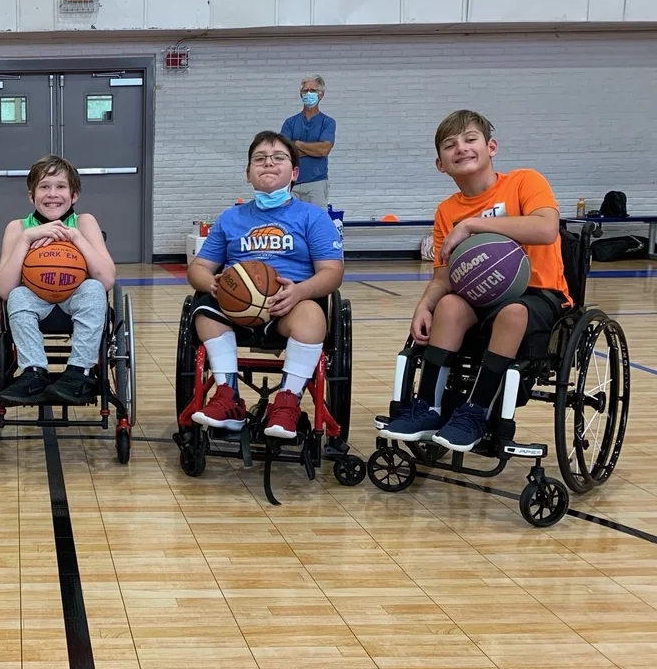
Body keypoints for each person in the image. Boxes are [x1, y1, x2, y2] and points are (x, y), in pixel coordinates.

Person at [380, 109, 571, 452]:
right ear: (440, 164)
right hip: (478, 295)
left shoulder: (524, 181)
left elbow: (546, 229)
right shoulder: (446, 210)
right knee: (449, 305)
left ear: (490, 147)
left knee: (513, 312)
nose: (462, 148)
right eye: (450, 145)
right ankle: (427, 407)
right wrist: (424, 306)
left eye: (470, 139)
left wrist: (472, 225)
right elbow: (443, 276)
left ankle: (476, 413)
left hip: (538, 293)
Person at [185, 131, 344, 439]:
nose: (268, 163)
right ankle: (228, 395)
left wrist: (300, 291)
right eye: (260, 159)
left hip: (288, 308)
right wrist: (213, 285)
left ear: (294, 173)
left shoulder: (313, 217)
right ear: (248, 173)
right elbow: (198, 269)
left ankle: (287, 401)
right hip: (235, 310)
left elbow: (332, 272)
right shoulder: (230, 218)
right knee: (203, 311)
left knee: (313, 315)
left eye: (278, 158)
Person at [0, 155, 116, 406]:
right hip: (35, 303)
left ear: (74, 195)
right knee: (17, 294)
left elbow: (107, 279)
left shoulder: (84, 222)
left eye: (61, 186)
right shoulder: (17, 228)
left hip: (76, 303)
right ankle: (33, 373)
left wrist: (76, 238)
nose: (52, 194)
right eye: (44, 187)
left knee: (93, 288)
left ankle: (79, 373)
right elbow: (4, 289)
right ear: (31, 196)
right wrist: (26, 239)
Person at [279, 74, 336, 208]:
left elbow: (324, 150)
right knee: (290, 219)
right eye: (305, 91)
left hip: (317, 182)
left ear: (321, 94)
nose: (308, 94)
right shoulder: (290, 123)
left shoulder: (327, 122)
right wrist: (313, 150)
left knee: (316, 219)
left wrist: (296, 144)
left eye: (313, 90)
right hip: (291, 182)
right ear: (301, 94)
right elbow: (283, 152)